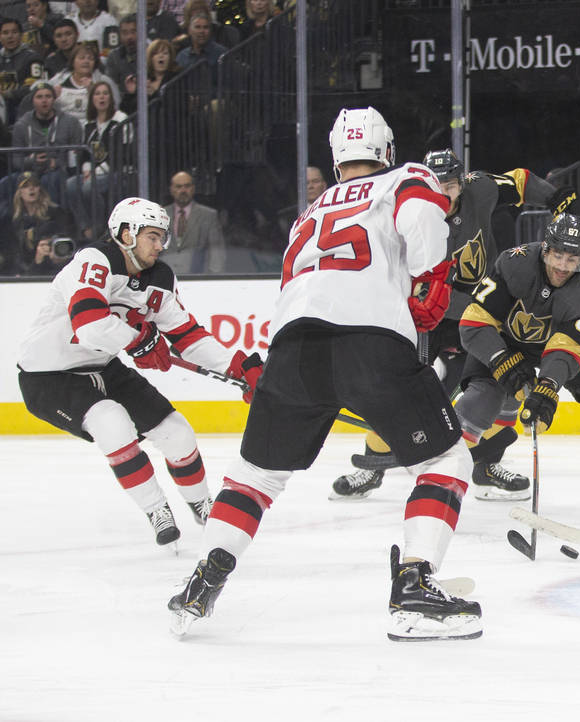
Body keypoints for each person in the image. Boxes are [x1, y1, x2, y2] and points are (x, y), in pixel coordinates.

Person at [168, 106, 483, 642]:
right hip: (372, 341)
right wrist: (430, 278)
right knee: (445, 459)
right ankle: (414, 585)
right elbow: (421, 227)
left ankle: (202, 582)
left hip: (292, 348)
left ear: (336, 160)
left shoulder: (308, 213)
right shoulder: (406, 178)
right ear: (385, 149)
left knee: (255, 476)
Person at [331, 148, 580, 501]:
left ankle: (487, 466)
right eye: (437, 185)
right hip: (428, 313)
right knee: (400, 387)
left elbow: (518, 182)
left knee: (503, 385)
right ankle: (372, 464)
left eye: (452, 185)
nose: (445, 193)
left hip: (483, 312)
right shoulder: (410, 208)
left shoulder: (479, 189)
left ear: (462, 182)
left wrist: (557, 199)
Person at [16, 197, 258, 546]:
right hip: (47, 376)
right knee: (112, 422)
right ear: (126, 233)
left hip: (103, 367)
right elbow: (90, 326)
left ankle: (201, 504)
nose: (160, 245)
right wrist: (139, 340)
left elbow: (188, 335)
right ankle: (156, 508)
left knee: (178, 433)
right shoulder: (94, 261)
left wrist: (238, 367)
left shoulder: (159, 278)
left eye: (163, 237)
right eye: (152, 236)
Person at [449, 213, 580, 500]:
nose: (563, 266)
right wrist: (501, 359)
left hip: (555, 343)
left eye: (573, 259)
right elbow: (474, 324)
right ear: (545, 249)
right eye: (558, 256)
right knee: (480, 401)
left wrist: (548, 386)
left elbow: (565, 347)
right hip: (504, 339)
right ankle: (452, 478)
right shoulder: (515, 262)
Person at [66, 79, 130, 239]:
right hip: (95, 173)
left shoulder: (120, 119)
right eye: (97, 94)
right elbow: (86, 154)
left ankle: (100, 227)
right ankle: (86, 227)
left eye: (105, 93)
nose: (102, 97)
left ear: (111, 98)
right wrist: (87, 169)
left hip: (118, 171)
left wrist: (96, 172)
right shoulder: (89, 124)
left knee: (88, 186)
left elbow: (123, 153)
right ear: (92, 99)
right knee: (71, 184)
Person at [9, 81, 82, 206]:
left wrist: (56, 162)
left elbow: (77, 155)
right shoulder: (21, 125)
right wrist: (32, 161)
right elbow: (16, 160)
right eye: (39, 97)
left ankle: (54, 219)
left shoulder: (70, 122)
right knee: (7, 182)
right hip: (30, 171)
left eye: (48, 96)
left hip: (60, 171)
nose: (44, 100)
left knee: (50, 179)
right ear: (33, 101)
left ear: (54, 99)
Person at [4, 170, 76, 275]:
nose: (31, 189)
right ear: (19, 192)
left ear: (40, 189)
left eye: (35, 185)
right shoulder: (13, 219)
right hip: (26, 267)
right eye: (26, 186)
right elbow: (13, 251)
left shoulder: (55, 212)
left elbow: (67, 239)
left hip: (54, 265)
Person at [163, 170, 225, 274]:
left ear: (193, 188)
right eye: (178, 187)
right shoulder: (161, 214)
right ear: (171, 190)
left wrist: (214, 280)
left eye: (187, 186)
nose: (183, 190)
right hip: (165, 280)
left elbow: (216, 253)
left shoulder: (208, 215)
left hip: (196, 280)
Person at [49, 42, 121, 126]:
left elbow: (114, 108)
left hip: (93, 127)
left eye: (90, 59)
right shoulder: (58, 80)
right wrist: (52, 98)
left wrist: (93, 92)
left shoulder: (104, 81)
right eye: (81, 58)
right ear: (72, 61)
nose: (86, 61)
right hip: (63, 127)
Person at [0, 17, 45, 127]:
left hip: (23, 110)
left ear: (21, 35)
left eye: (14, 32)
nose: (10, 36)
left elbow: (34, 88)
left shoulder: (33, 58)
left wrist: (7, 94)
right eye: (5, 33)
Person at [119, 37, 179, 113]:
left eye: (165, 53)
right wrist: (131, 93)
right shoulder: (144, 80)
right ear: (150, 58)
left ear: (170, 58)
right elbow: (125, 112)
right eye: (156, 53)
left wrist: (153, 94)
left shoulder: (176, 79)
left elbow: (174, 108)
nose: (161, 56)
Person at [174, 11, 227, 88]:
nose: (202, 31)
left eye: (205, 27)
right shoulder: (182, 56)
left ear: (210, 31)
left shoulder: (222, 54)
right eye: (197, 27)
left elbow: (229, 85)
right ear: (189, 30)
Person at [103, 14, 137, 90]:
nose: (129, 37)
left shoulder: (151, 51)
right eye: (125, 33)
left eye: (133, 31)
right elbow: (110, 85)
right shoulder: (114, 56)